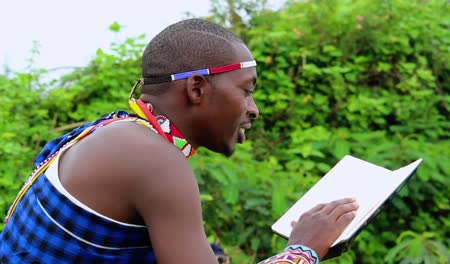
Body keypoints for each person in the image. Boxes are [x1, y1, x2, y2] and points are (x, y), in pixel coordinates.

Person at [0, 19, 358, 263]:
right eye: (247, 91)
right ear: (197, 88)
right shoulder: (155, 160)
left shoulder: (111, 130)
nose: (254, 110)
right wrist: (305, 249)